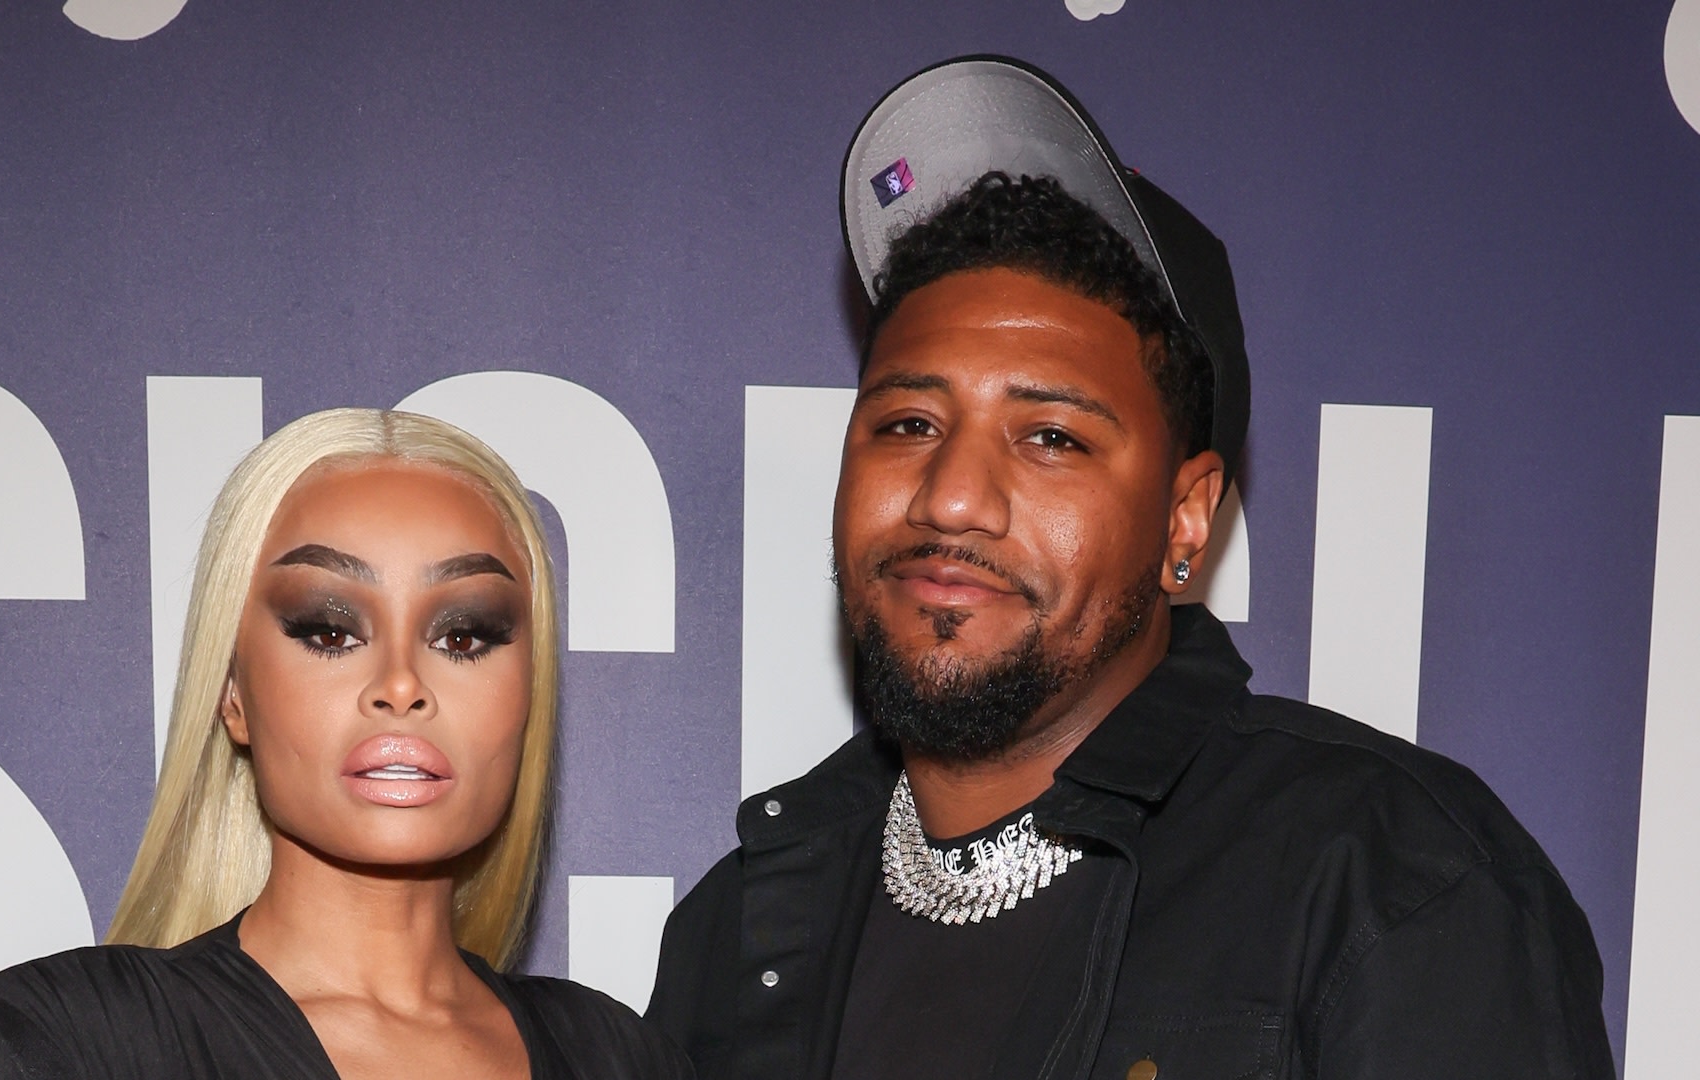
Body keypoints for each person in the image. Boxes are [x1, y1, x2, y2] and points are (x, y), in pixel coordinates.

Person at [647, 56, 1613, 1079]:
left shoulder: (1393, 878)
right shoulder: (735, 934)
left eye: (1051, 437)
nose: (952, 496)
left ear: (1184, 520)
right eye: (909, 422)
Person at [0, 408, 691, 1080]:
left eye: (463, 636)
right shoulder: (69, 1039)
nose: (401, 684)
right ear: (232, 692)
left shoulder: (622, 1058)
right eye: (329, 631)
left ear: (529, 695)